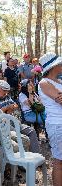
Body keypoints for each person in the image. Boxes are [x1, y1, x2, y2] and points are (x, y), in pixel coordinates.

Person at [0, 80, 40, 153]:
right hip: (5, 125)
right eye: (4, 90)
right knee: (22, 138)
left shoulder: (7, 97)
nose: (6, 93)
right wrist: (7, 108)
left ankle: (36, 154)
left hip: (14, 121)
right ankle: (24, 159)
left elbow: (15, 105)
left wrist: (11, 107)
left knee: (31, 131)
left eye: (7, 91)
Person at [38, 53, 62, 186]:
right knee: (59, 161)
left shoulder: (59, 81)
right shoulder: (44, 83)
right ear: (54, 66)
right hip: (57, 125)